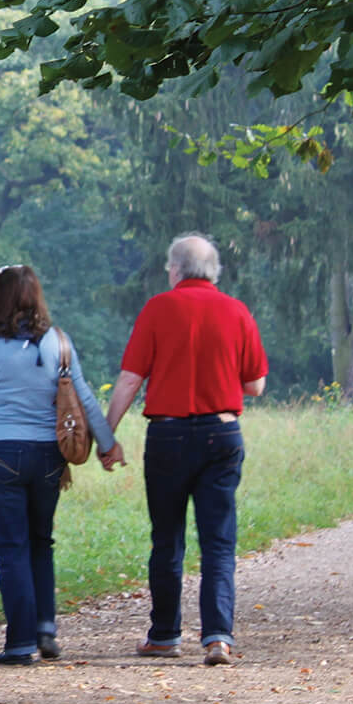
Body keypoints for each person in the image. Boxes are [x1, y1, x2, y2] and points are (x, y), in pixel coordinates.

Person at [102, 233, 268, 667]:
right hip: (222, 435)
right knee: (218, 542)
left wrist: (106, 436)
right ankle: (217, 638)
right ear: (213, 271)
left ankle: (164, 635)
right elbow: (256, 385)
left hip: (168, 437)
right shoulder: (237, 311)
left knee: (167, 539)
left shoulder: (158, 308)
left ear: (174, 270)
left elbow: (130, 379)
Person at [0, 264, 118, 666]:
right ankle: (45, 629)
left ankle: (19, 644)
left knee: (12, 549)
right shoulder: (59, 343)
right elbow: (85, 399)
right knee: (41, 542)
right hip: (48, 456)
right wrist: (108, 445)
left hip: (2, 454)